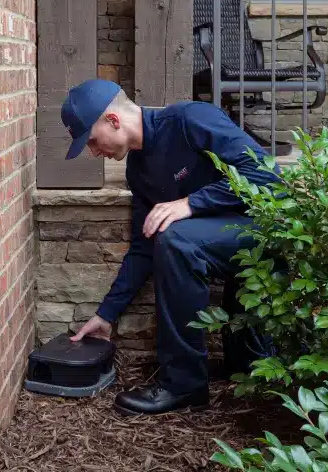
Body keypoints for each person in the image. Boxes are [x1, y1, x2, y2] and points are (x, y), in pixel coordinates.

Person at [60, 78, 280, 416]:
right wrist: (107, 314)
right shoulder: (139, 171)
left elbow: (267, 173)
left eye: (91, 140)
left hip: (263, 230)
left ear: (113, 121)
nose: (93, 152)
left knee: (175, 239)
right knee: (168, 237)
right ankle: (239, 366)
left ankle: (184, 385)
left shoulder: (190, 120)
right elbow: (143, 245)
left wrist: (191, 202)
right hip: (223, 244)